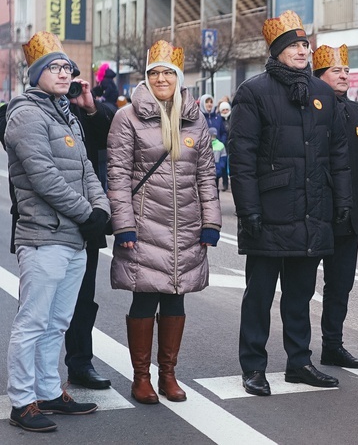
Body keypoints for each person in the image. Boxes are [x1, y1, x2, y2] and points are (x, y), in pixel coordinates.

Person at [229, 10, 352, 396]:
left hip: (312, 211)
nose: (302, 51)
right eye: (294, 46)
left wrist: (341, 201)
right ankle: (253, 366)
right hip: (269, 211)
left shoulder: (321, 93)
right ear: (278, 51)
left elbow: (339, 153)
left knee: (299, 295)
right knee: (260, 296)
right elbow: (242, 157)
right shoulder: (254, 91)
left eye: (305, 45)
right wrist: (248, 209)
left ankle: (299, 362)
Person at [107, 40, 222, 404]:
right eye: (154, 72)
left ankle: (168, 375)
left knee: (176, 298)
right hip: (143, 224)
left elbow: (206, 175)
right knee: (145, 299)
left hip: (185, 225)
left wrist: (211, 222)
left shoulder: (195, 119)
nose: (161, 78)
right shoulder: (127, 118)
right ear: (147, 77)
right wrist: (123, 223)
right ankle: (141, 378)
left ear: (178, 78)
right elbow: (118, 175)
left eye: (167, 73)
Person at [5, 31, 109, 432]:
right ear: (37, 73)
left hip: (74, 238)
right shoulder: (25, 114)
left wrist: (101, 209)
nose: (65, 74)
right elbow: (43, 176)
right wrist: (88, 213)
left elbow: (87, 169)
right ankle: (22, 401)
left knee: (57, 323)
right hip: (42, 235)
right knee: (32, 321)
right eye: (56, 67)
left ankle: (49, 391)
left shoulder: (65, 113)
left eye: (68, 67)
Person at [312, 43, 358, 368]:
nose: (343, 76)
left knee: (340, 287)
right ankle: (298, 353)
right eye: (336, 71)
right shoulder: (308, 109)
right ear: (319, 76)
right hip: (315, 216)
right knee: (302, 287)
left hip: (349, 217)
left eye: (346, 71)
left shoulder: (356, 113)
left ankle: (332, 346)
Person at [64, 62, 117, 390]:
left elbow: (107, 142)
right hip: (44, 227)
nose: (63, 80)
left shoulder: (85, 111)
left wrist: (90, 106)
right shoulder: (25, 107)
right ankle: (34, 382)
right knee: (41, 307)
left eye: (68, 74)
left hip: (87, 225)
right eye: (53, 70)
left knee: (84, 299)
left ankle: (81, 364)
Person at [218, 100, 232, 191]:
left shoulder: (232, 118)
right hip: (223, 146)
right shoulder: (219, 120)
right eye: (223, 110)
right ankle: (225, 183)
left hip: (231, 146)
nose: (225, 111)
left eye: (227, 109)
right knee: (223, 165)